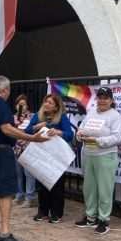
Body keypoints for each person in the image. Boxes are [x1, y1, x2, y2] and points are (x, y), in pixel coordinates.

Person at [0, 76, 50, 241]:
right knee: (6, 192)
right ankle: (5, 233)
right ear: (5, 90)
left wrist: (12, 124)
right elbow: (6, 129)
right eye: (8, 91)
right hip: (0, 151)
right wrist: (32, 138)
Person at [74, 87, 121, 235]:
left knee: (104, 189)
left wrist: (97, 140)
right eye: (100, 97)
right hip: (88, 154)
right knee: (89, 188)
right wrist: (80, 134)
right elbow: (81, 128)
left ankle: (104, 220)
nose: (102, 100)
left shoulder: (115, 116)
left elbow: (116, 138)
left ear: (111, 100)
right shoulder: (92, 113)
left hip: (105, 155)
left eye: (105, 98)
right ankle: (91, 217)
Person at [25, 94, 73, 223]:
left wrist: (59, 132)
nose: (46, 104)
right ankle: (43, 211)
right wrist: (36, 127)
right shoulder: (37, 116)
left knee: (57, 185)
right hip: (41, 155)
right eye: (45, 102)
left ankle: (57, 213)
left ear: (56, 107)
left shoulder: (62, 118)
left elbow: (69, 134)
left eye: (50, 103)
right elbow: (27, 131)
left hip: (57, 156)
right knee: (41, 184)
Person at [12, 94, 36, 208]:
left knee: (29, 174)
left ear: (27, 106)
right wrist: (16, 123)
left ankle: (29, 198)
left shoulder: (32, 117)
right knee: (18, 174)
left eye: (23, 104)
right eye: (19, 104)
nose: (21, 106)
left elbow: (34, 130)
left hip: (28, 148)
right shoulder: (13, 118)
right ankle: (19, 195)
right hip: (16, 148)